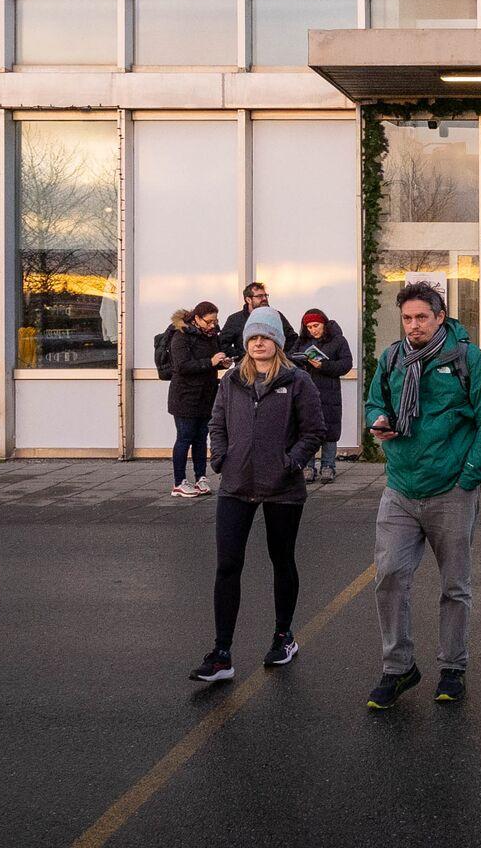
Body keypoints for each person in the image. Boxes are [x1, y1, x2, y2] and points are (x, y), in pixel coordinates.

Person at [365, 279, 481, 709]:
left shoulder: (467, 359)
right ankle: (398, 668)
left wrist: (469, 476)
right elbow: (374, 403)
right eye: (407, 318)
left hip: (451, 491)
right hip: (401, 489)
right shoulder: (391, 358)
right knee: (389, 579)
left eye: (421, 317)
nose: (413, 326)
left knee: (454, 586)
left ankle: (452, 668)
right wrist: (379, 420)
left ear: (440, 317)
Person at [190, 306, 323, 684]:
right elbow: (217, 423)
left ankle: (284, 636)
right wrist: (220, 457)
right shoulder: (231, 380)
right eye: (252, 337)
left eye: (265, 336)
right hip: (235, 486)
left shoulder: (298, 382)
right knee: (227, 567)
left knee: (282, 562)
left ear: (277, 342)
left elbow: (314, 432)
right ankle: (222, 653)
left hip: (282, 489)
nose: (258, 342)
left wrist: (291, 463)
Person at [291, 306, 356, 481]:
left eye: (316, 326)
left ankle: (328, 466)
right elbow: (290, 360)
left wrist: (324, 366)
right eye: (309, 327)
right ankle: (308, 466)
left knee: (330, 429)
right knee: (307, 429)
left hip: (329, 392)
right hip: (306, 392)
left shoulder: (338, 341)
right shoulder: (302, 341)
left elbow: (346, 364)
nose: (313, 330)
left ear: (324, 324)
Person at [166, 300, 223, 496]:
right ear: (197, 319)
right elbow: (182, 366)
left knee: (201, 438)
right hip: (184, 396)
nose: (213, 325)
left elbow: (212, 362)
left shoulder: (211, 336)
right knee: (184, 437)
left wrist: (221, 363)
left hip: (206, 395)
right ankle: (179, 482)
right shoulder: (181, 336)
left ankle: (200, 477)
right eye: (209, 321)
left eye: (215, 321)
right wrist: (210, 361)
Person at [220, 281, 294, 361]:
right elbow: (222, 343)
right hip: (246, 368)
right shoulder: (235, 319)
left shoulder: (275, 316)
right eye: (259, 296)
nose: (264, 299)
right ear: (248, 299)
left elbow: (292, 338)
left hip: (274, 367)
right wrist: (243, 355)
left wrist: (281, 355)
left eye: (265, 295)